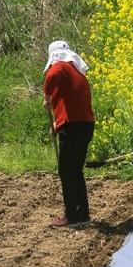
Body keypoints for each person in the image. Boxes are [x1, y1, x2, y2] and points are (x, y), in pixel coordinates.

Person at [43, 39, 95, 228]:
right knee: (75, 170)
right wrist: (57, 124)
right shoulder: (77, 72)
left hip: (72, 127)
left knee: (66, 171)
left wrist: (47, 98)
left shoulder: (57, 70)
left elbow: (50, 92)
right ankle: (82, 214)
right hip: (85, 125)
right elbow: (71, 104)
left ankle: (72, 216)